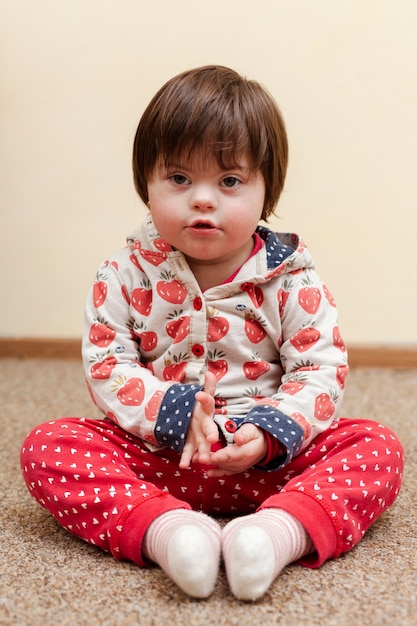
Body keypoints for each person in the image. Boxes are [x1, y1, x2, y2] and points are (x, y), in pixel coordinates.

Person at [20, 65, 404, 601]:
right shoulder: (125, 273)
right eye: (179, 179)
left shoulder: (290, 277)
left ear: (267, 188)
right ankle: (171, 532)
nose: (202, 199)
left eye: (229, 181)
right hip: (160, 458)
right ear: (146, 184)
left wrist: (271, 433)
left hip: (269, 464)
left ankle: (273, 535)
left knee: (376, 446)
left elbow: (319, 367)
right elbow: (109, 364)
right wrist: (169, 414)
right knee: (48, 446)